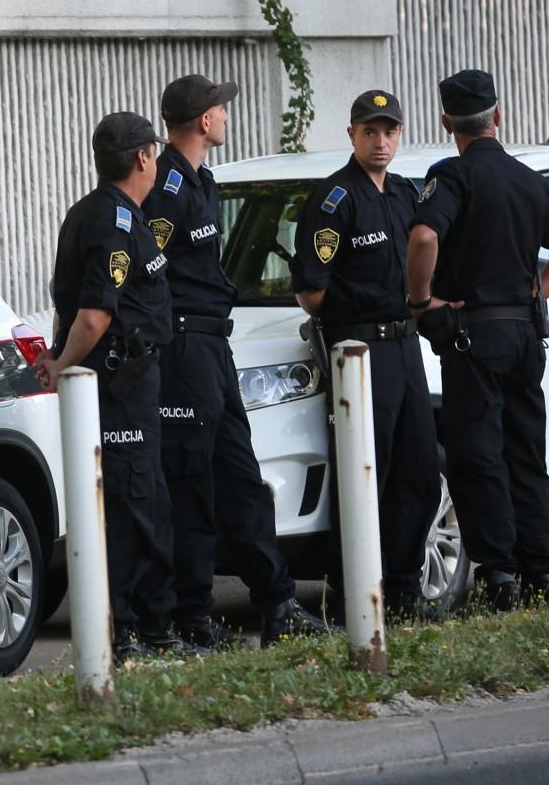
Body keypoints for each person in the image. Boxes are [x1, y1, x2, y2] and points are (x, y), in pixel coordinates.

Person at [141, 74, 330, 647]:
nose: (227, 116)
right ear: (203, 120)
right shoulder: (167, 186)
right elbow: (146, 268)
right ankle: (192, 620)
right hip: (181, 349)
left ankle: (278, 604)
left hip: (214, 348)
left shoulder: (204, 181)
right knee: (192, 487)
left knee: (243, 482)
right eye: (221, 110)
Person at [407, 69, 549, 610]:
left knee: (478, 455)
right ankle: (539, 571)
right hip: (524, 335)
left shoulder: (453, 176)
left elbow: (423, 235)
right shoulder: (529, 180)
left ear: (447, 123)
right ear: (499, 116)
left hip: (473, 337)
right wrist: (539, 291)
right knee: (525, 453)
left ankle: (501, 577)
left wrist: (422, 303)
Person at [36, 111, 203, 661]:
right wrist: (62, 365)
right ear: (143, 158)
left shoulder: (105, 214)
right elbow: (94, 316)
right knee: (133, 507)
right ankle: (134, 631)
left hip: (133, 380)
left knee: (144, 498)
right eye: (155, 152)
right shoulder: (114, 223)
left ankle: (149, 624)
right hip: (118, 381)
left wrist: (64, 358)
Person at [291, 89, 441, 621]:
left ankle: (402, 589)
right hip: (359, 351)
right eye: (371, 132)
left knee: (418, 472)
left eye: (390, 131)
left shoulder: (404, 194)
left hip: (404, 345)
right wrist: (358, 315)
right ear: (351, 135)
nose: (381, 141)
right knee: (365, 474)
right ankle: (357, 591)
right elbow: (311, 290)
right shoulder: (335, 200)